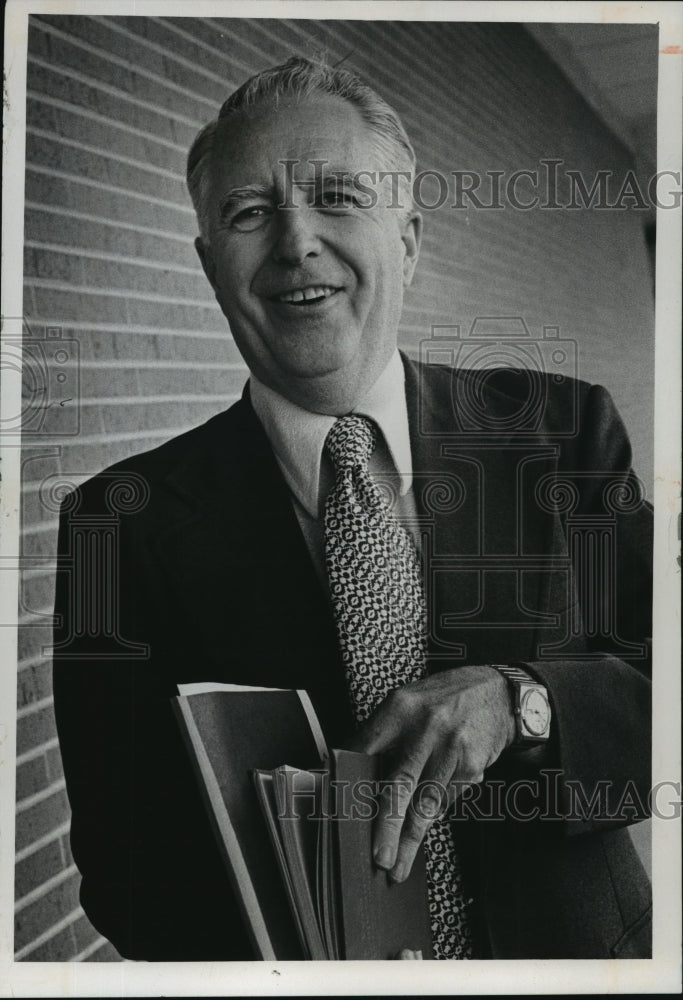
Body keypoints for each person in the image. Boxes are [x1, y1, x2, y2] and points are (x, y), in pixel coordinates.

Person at [52, 57, 652, 961]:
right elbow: (122, 870)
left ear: (407, 239)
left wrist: (524, 705)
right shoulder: (118, 525)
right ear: (211, 265)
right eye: (249, 213)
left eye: (337, 197)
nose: (295, 240)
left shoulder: (562, 435)